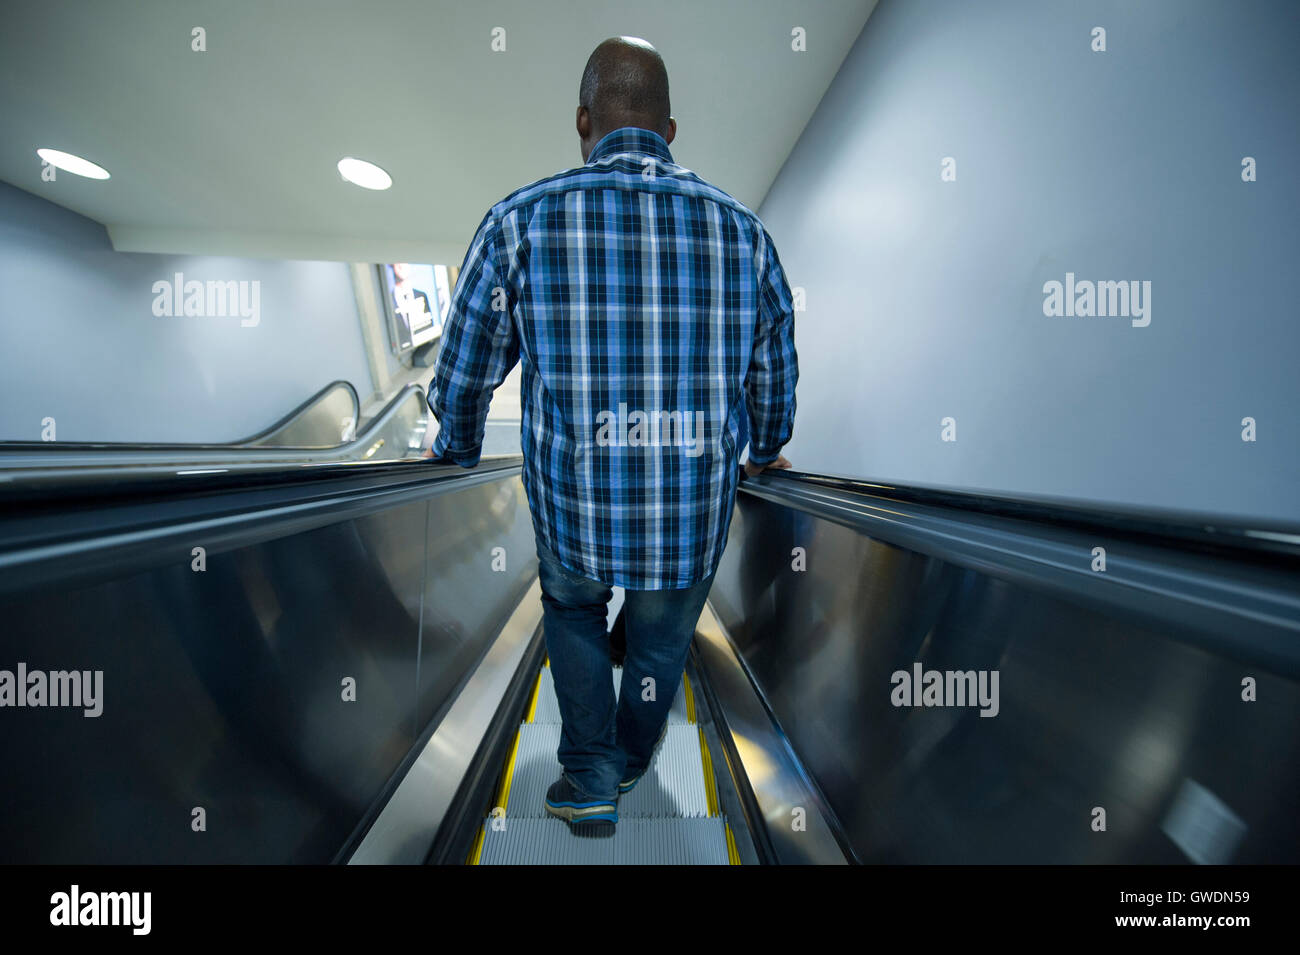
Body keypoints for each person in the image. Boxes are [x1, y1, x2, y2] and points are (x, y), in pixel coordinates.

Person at [427, 36, 796, 836]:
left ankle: (588, 776)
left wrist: (454, 448)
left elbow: (462, 374)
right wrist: (766, 448)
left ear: (584, 121)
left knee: (574, 614)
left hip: (575, 515)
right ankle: (630, 760)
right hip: (689, 521)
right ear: (670, 128)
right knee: (662, 647)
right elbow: (773, 383)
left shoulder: (517, 224)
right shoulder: (746, 236)